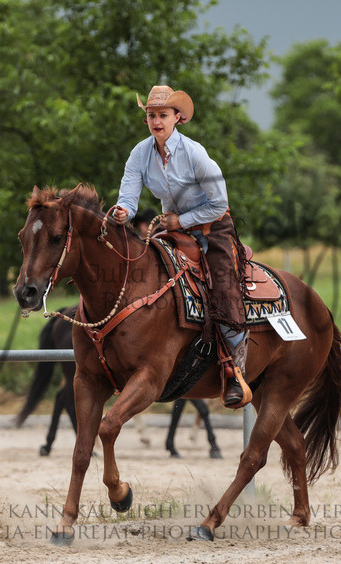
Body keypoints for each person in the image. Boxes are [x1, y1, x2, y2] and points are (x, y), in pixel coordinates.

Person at [112, 85, 251, 407]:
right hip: (172, 227)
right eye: (151, 115)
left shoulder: (195, 154)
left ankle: (234, 370)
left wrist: (180, 221)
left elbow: (219, 205)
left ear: (179, 118)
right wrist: (123, 212)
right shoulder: (139, 153)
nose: (156, 120)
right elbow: (129, 196)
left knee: (223, 286)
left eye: (163, 114)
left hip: (212, 227)